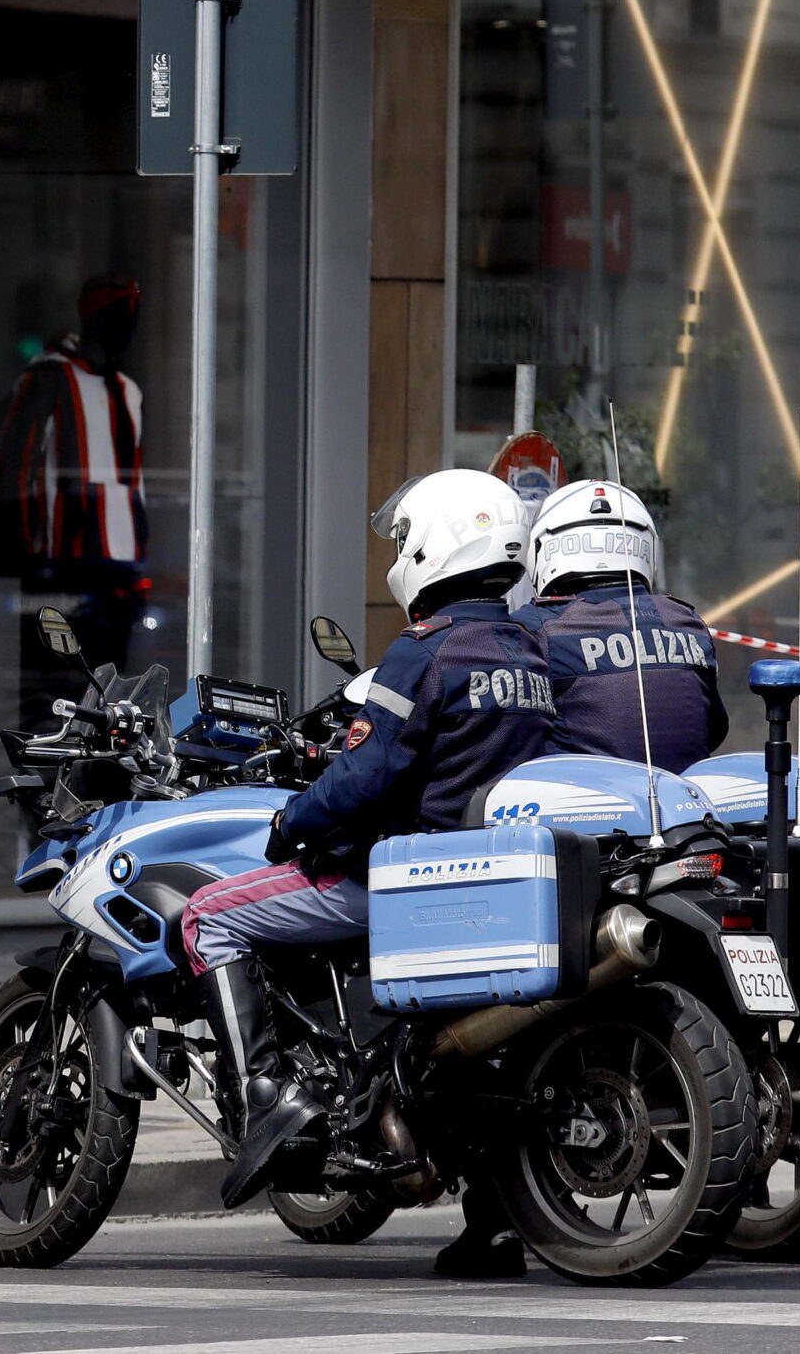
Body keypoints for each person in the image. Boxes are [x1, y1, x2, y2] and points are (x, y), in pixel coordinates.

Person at [178, 470, 554, 1219]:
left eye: (409, 537)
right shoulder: (532, 653)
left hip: (403, 880)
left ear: (437, 545)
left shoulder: (425, 652)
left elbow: (365, 776)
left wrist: (293, 824)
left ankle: (265, 1098)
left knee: (204, 917)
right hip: (496, 883)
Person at [0, 274, 149, 689]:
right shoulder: (49, 378)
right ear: (93, 318)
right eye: (116, 315)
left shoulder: (128, 390)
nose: (126, 328)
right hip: (64, 561)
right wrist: (28, 548)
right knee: (58, 684)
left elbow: (133, 481)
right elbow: (17, 464)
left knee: (113, 689)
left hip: (120, 566)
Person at [526, 479, 727, 771]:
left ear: (544, 547)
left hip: (588, 810)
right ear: (645, 546)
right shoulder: (687, 623)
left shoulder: (538, 628)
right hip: (686, 809)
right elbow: (713, 730)